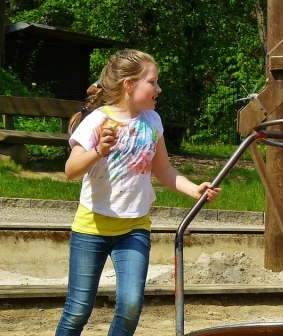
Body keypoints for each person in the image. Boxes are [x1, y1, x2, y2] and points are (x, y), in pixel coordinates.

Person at [56, 49, 221, 336]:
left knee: (131, 305)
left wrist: (195, 189)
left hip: (134, 227)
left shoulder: (152, 122)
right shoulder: (97, 121)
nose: (159, 88)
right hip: (91, 228)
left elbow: (164, 170)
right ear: (129, 85)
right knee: (79, 308)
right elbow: (71, 170)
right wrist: (98, 151)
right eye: (153, 82)